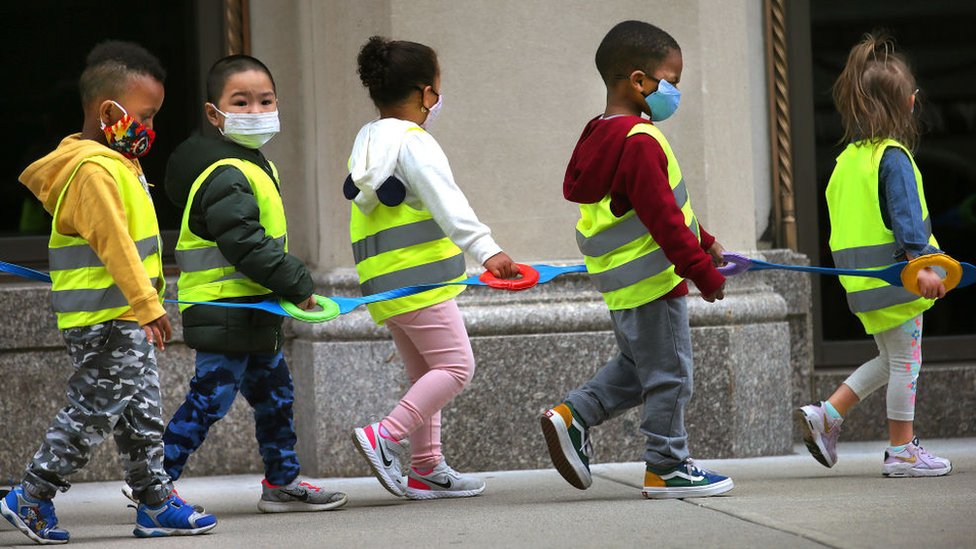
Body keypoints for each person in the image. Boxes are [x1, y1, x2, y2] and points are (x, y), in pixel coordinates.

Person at [3, 41, 215, 543]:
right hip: (108, 319)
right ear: (108, 111)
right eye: (146, 114)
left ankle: (155, 503)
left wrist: (142, 306)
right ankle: (30, 496)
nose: (151, 126)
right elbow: (115, 244)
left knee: (141, 417)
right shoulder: (94, 171)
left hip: (123, 318)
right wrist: (147, 304)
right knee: (93, 412)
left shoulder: (120, 164)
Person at [539, 20, 734, 499]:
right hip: (653, 282)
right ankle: (667, 464)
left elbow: (652, 207)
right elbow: (663, 217)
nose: (675, 92)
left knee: (638, 366)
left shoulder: (600, 134)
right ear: (639, 81)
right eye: (672, 81)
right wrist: (703, 273)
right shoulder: (641, 141)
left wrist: (705, 239)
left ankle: (573, 416)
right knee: (672, 373)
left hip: (623, 286)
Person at [160, 55, 347, 512]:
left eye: (264, 100)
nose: (254, 110)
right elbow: (245, 242)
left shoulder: (250, 162)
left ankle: (282, 482)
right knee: (210, 399)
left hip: (254, 309)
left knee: (276, 397)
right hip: (224, 309)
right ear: (213, 113)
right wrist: (298, 283)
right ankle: (154, 481)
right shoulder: (227, 172)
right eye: (239, 102)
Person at [346, 36, 520, 500]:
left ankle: (427, 466)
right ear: (426, 93)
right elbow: (449, 203)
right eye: (437, 90)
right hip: (422, 281)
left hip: (386, 285)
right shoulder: (414, 142)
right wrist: (489, 251)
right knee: (458, 366)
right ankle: (386, 436)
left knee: (427, 372)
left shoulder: (368, 141)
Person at [797, 33, 951, 477]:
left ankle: (828, 414)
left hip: (864, 287)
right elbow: (905, 220)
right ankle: (903, 451)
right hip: (900, 280)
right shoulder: (894, 158)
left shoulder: (846, 162)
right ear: (908, 103)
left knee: (890, 360)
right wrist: (920, 267)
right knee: (907, 362)